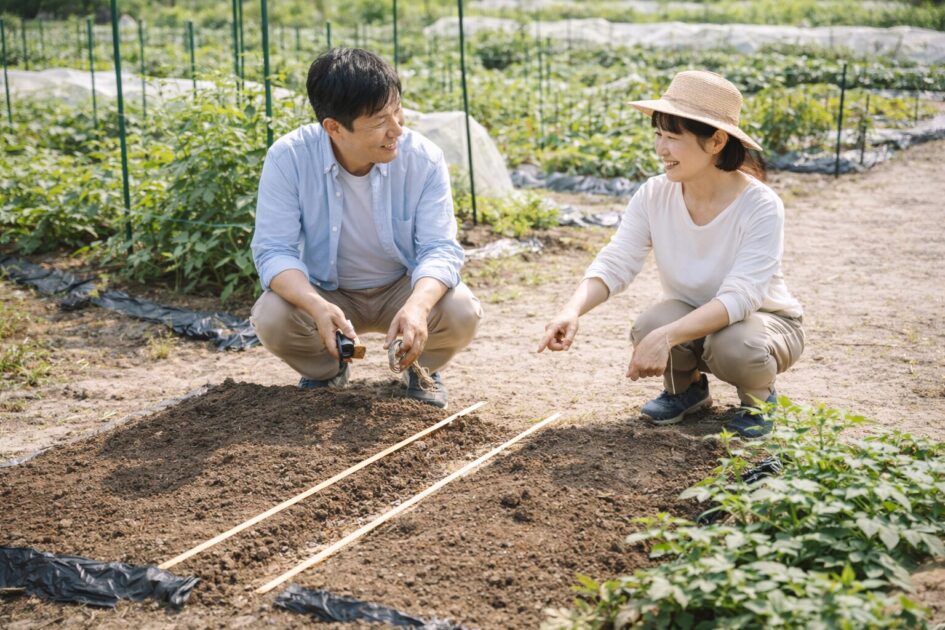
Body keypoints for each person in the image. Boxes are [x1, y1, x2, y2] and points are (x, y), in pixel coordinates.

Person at [537, 70, 804, 438]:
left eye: (673, 138)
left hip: (764, 321)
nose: (661, 149)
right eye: (658, 135)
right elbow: (618, 260)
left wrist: (667, 338)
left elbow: (742, 296)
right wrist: (571, 310)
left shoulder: (760, 205)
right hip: (693, 312)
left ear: (716, 142)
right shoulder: (654, 194)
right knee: (650, 323)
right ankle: (687, 391)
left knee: (733, 344)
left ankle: (759, 402)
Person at [250, 48, 482, 409]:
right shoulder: (289, 158)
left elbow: (440, 248)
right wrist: (315, 305)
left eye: (397, 110)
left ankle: (419, 367)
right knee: (272, 315)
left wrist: (418, 306)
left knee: (461, 309)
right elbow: (273, 251)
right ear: (334, 127)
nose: (397, 129)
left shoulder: (423, 158)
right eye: (379, 121)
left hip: (399, 288)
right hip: (329, 292)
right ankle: (328, 368)